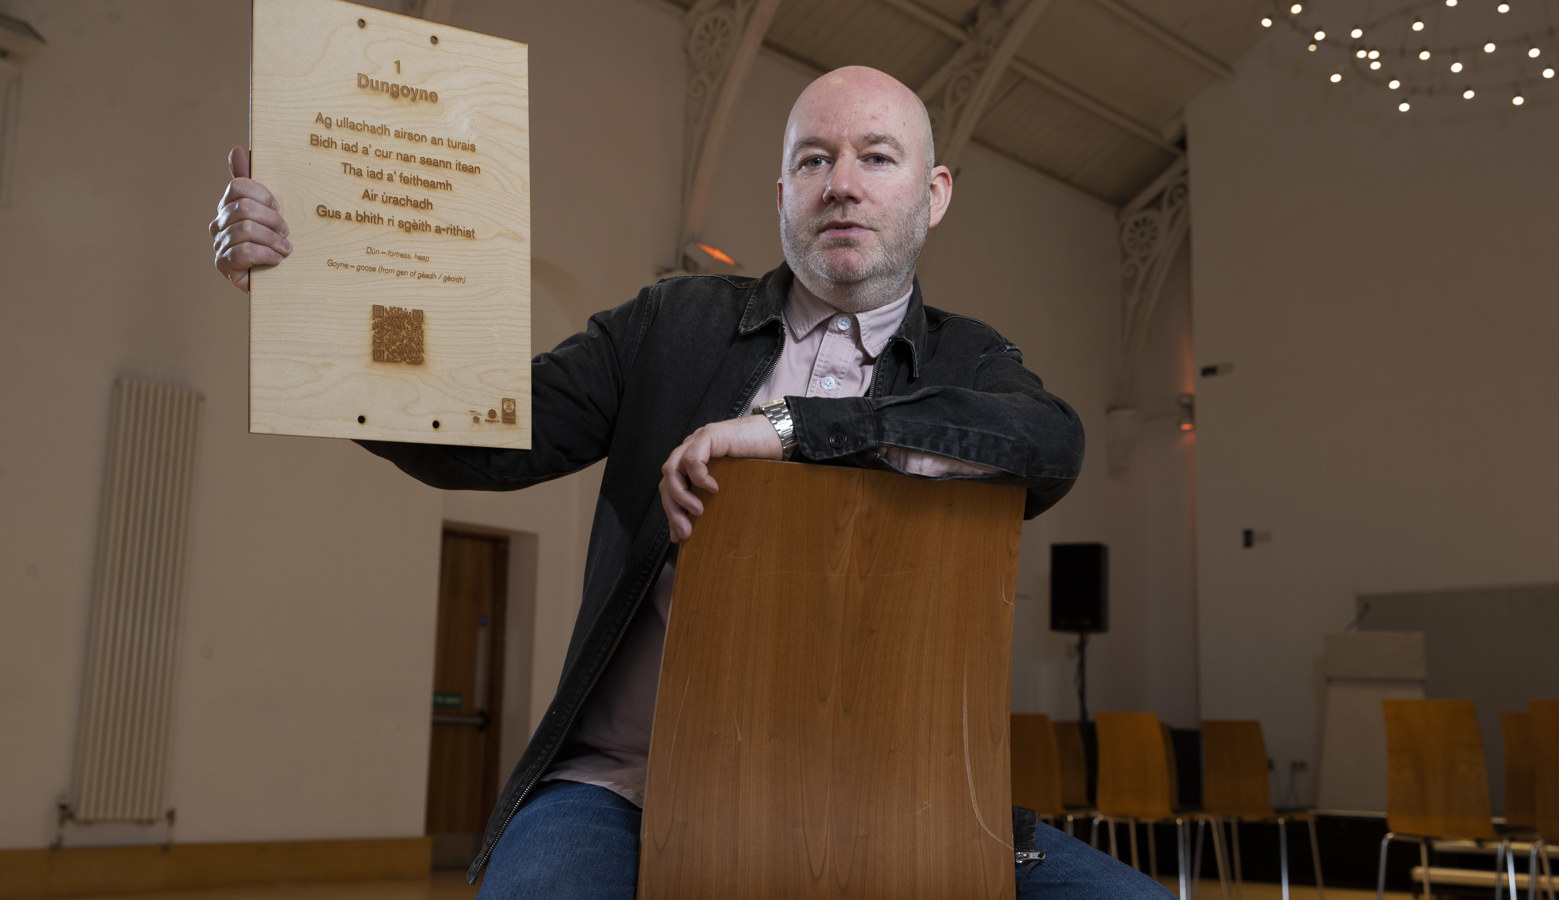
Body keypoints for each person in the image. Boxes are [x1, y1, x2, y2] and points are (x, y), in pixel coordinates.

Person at [212, 65, 1171, 899]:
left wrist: (793, 430)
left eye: (877, 158)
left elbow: (1050, 445)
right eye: (813, 159)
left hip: (894, 799)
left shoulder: (974, 359)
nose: (842, 185)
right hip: (625, 788)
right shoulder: (668, 327)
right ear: (783, 190)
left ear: (935, 192)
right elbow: (477, 430)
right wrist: (315, 299)